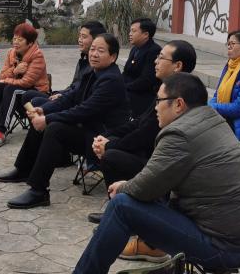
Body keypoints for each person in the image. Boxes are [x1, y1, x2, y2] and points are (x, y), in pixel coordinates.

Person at [40, 72, 240, 274]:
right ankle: (150, 245)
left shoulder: (180, 134)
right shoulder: (213, 120)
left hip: (220, 248)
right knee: (146, 193)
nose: (155, 107)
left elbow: (144, 188)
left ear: (178, 104)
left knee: (122, 206)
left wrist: (123, 187)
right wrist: (132, 185)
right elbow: (157, 180)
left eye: (159, 101)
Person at [0, 33, 129, 209]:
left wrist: (47, 119)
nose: (94, 54)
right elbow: (70, 98)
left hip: (101, 137)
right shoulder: (93, 71)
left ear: (112, 57)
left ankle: (38, 191)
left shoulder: (111, 80)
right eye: (93, 49)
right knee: (43, 118)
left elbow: (84, 110)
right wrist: (44, 110)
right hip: (87, 128)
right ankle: (24, 169)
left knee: (54, 128)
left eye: (101, 51)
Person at [84, 40, 197, 224]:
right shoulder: (167, 87)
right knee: (110, 144)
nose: (155, 61)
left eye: (161, 58)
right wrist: (109, 136)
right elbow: (140, 122)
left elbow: (145, 134)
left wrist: (110, 145)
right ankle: (120, 208)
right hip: (149, 153)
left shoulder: (179, 96)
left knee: (111, 156)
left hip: (162, 165)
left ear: (177, 66)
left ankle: (124, 212)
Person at [29, 20, 106, 109]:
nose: (79, 40)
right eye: (79, 36)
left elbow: (80, 92)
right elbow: (74, 85)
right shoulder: (83, 60)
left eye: (84, 37)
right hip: (68, 97)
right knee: (30, 95)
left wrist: (62, 95)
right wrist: (61, 93)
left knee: (35, 101)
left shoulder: (97, 67)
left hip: (74, 103)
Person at [122, 18, 162, 117]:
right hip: (129, 90)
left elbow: (146, 80)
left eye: (134, 31)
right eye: (130, 31)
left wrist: (124, 87)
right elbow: (126, 72)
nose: (130, 34)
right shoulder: (135, 48)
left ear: (146, 34)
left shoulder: (154, 50)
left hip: (142, 95)